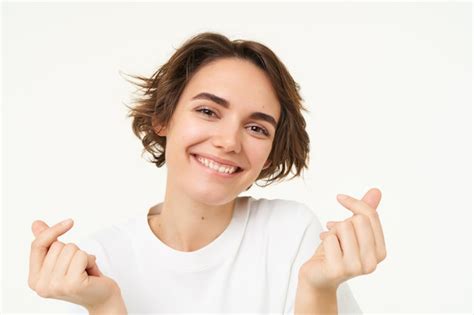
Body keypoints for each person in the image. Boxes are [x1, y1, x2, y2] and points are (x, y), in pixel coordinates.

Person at [28, 32, 386, 314]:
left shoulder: (292, 236)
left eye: (257, 128)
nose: (229, 142)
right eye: (208, 111)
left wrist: (318, 290)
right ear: (163, 118)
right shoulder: (96, 264)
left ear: (269, 154)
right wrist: (104, 306)